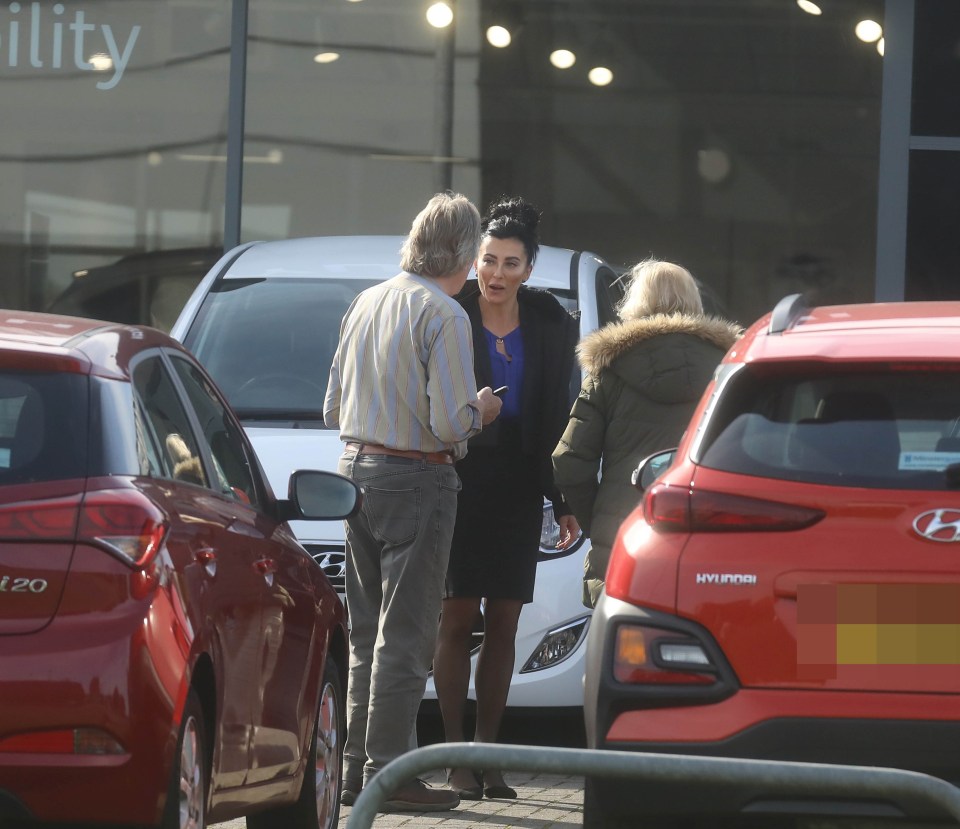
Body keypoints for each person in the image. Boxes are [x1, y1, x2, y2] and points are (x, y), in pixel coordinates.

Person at [323, 191, 503, 812]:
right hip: (416, 478)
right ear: (467, 253)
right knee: (407, 635)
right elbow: (451, 424)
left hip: (354, 471)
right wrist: (483, 409)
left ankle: (353, 772)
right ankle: (390, 778)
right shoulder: (445, 314)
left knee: (365, 635)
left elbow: (330, 409)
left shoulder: (366, 301)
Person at [432, 196, 581, 801]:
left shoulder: (549, 319)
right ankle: (455, 757)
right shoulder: (450, 311)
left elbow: (561, 417)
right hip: (461, 480)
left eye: (510, 263)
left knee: (506, 619)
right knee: (456, 616)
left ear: (529, 268)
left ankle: (490, 756)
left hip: (521, 485)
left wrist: (564, 498)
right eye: (488, 260)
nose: (495, 274)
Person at [552, 258, 742, 608]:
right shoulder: (729, 369)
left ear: (635, 303)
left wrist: (600, 521)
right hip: (704, 539)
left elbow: (569, 461)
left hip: (626, 540)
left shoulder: (609, 368)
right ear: (694, 303)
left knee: (620, 653)